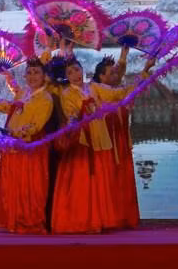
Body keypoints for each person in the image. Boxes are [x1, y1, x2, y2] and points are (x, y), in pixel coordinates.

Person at [50, 55, 154, 233]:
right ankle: (81, 221)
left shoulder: (94, 87)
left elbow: (120, 93)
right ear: (66, 76)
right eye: (70, 72)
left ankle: (101, 219)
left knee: (100, 181)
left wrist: (145, 71)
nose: (75, 74)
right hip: (81, 141)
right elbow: (71, 113)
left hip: (100, 138)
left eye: (77, 69)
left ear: (82, 70)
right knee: (83, 182)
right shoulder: (67, 93)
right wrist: (77, 117)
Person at [0, 58, 53, 234]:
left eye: (37, 73)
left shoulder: (45, 98)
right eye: (29, 72)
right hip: (13, 146)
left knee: (32, 185)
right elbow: (8, 107)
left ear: (44, 76)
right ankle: (14, 220)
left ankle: (30, 221)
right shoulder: (24, 93)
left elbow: (37, 125)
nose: (32, 76)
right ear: (25, 75)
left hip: (31, 147)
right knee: (14, 184)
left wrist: (16, 133)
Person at [92, 46, 140, 229]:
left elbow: (119, 80)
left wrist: (123, 55)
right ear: (102, 76)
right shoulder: (97, 88)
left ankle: (122, 216)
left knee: (121, 174)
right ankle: (108, 216)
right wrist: (144, 74)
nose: (116, 75)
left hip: (118, 136)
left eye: (115, 73)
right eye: (111, 73)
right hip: (106, 138)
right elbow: (119, 93)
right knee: (109, 175)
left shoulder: (110, 86)